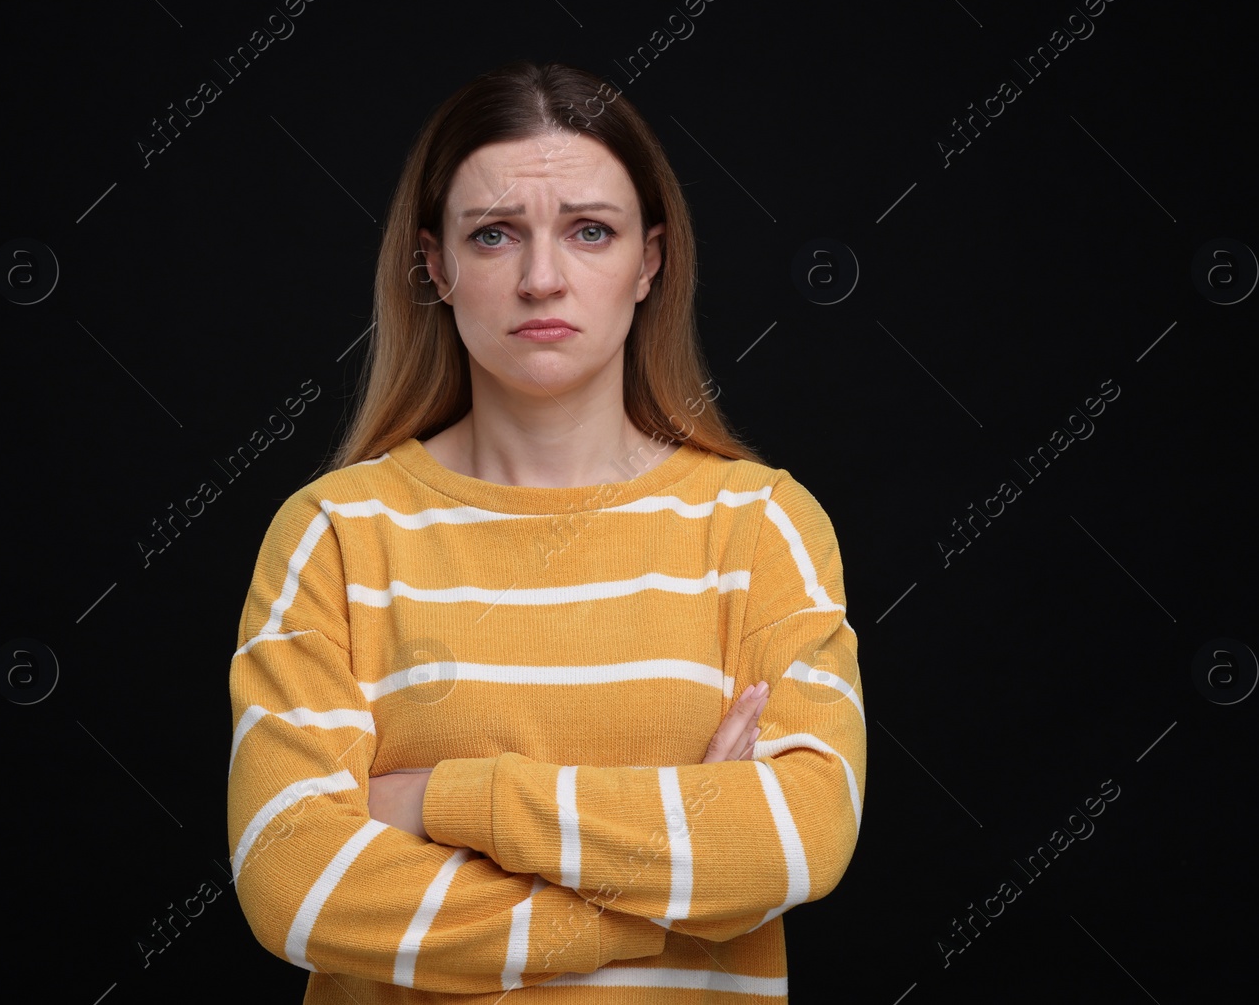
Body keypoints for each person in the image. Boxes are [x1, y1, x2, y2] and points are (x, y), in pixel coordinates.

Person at [227, 60, 865, 1004]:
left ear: (649, 260)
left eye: (590, 231)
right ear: (435, 265)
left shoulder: (760, 525)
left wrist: (437, 798)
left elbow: (797, 836)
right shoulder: (334, 532)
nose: (541, 278)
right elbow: (297, 884)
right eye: (493, 234)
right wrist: (665, 893)